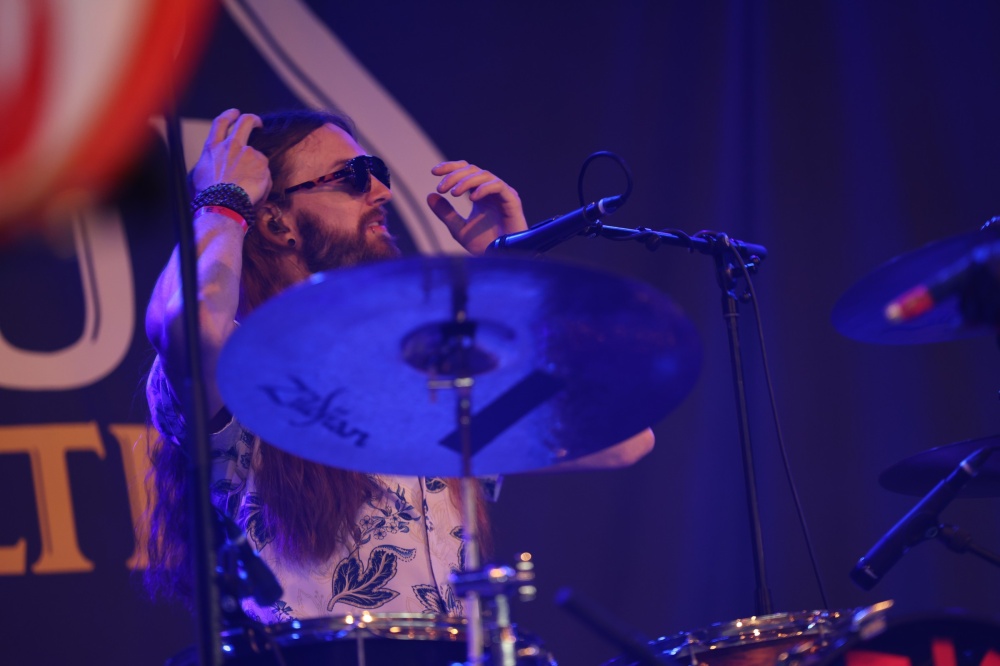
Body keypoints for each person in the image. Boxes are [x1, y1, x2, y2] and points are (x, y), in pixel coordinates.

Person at [143, 108, 654, 624]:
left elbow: (621, 437)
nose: (381, 191)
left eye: (377, 172)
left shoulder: (431, 378)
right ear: (277, 221)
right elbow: (187, 323)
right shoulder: (245, 369)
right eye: (351, 177)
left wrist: (518, 280)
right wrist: (223, 201)